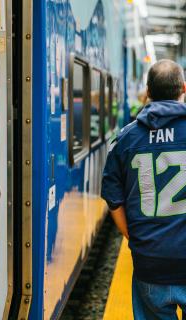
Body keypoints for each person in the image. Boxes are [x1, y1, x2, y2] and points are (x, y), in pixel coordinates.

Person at [101, 59, 186, 320]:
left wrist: (133, 235)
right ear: (183, 88)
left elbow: (113, 197)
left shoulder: (127, 138)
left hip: (150, 261)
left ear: (147, 91)